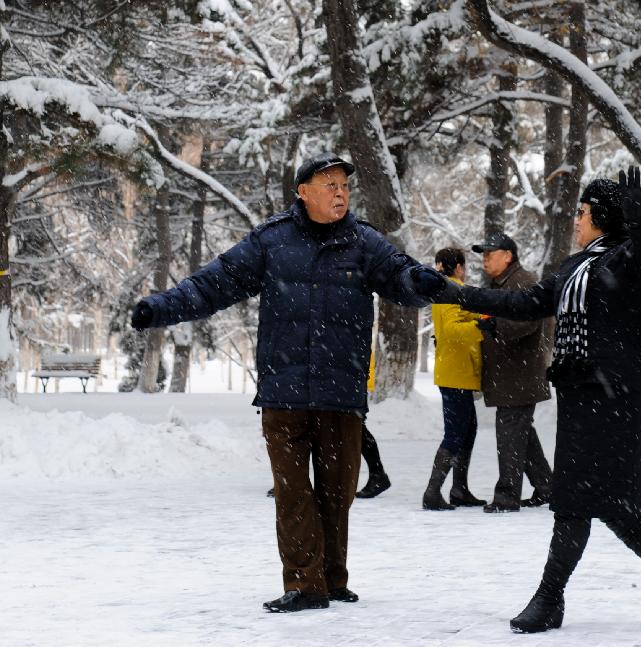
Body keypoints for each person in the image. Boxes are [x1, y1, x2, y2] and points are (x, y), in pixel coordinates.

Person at [130, 152, 445, 613]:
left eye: (344, 186)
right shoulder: (271, 242)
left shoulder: (364, 242)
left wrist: (420, 281)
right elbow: (214, 284)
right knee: (294, 493)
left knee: (338, 494)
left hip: (340, 392)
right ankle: (304, 584)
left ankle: (332, 578)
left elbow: (401, 276)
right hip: (285, 393)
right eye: (329, 184)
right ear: (302, 192)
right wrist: (161, 308)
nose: (339, 193)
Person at [434, 167, 641, 633]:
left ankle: (550, 598)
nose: (576, 220)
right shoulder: (573, 266)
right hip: (579, 393)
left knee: (574, 498)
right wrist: (459, 294)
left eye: (582, 212)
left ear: (601, 216)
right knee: (617, 504)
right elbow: (528, 303)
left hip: (613, 395)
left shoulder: (626, 259)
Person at [470, 233, 553, 513]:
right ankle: (546, 487)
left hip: (518, 376)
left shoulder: (523, 283)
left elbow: (530, 319)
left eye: (489, 253)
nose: (485, 259)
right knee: (521, 435)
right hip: (510, 375)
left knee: (509, 435)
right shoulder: (504, 283)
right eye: (483, 254)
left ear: (508, 255)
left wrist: (496, 327)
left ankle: (507, 496)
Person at [422, 247, 486, 510]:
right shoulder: (451, 290)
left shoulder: (444, 289)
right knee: (455, 434)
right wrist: (481, 327)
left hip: (456, 370)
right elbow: (451, 329)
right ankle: (433, 492)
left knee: (468, 430)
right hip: (455, 372)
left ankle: (459, 489)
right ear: (459, 266)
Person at [356, 352, 391, 498]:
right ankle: (377, 474)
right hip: (345, 372)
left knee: (356, 427)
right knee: (355, 427)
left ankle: (377, 474)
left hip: (349, 372)